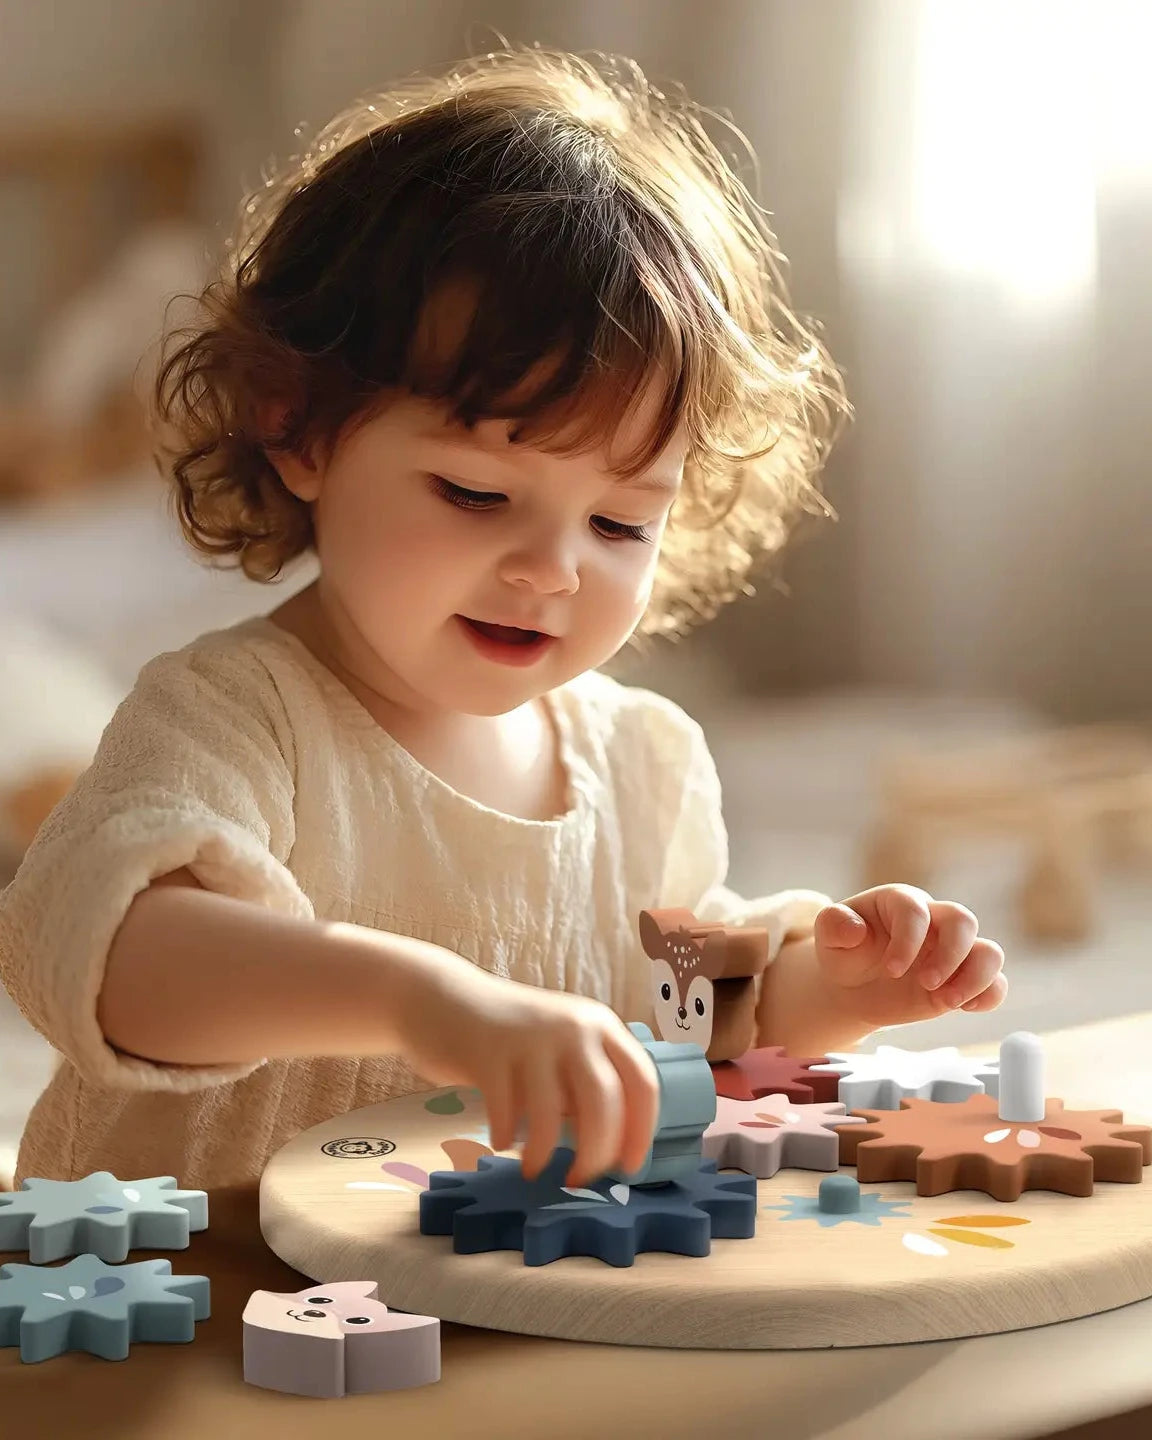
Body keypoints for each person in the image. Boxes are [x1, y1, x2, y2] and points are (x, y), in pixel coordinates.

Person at [0, 46, 1005, 1194]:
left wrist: (832, 992)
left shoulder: (641, 765)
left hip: (493, 1301)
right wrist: (429, 1003)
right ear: (299, 429)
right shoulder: (238, 717)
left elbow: (682, 1010)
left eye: (621, 525)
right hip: (217, 1304)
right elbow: (113, 956)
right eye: (478, 495)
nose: (551, 570)